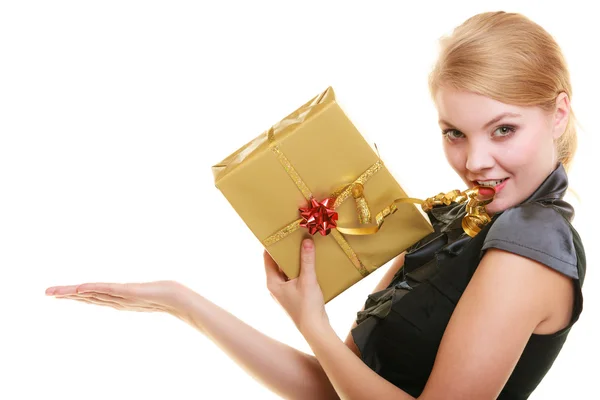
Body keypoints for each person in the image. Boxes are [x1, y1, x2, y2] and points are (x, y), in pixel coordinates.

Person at [45, 11, 585, 400]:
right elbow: (333, 389)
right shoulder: (453, 220)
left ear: (557, 115)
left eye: (503, 130)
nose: (475, 161)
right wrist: (183, 304)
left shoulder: (533, 245)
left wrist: (315, 327)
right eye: (455, 133)